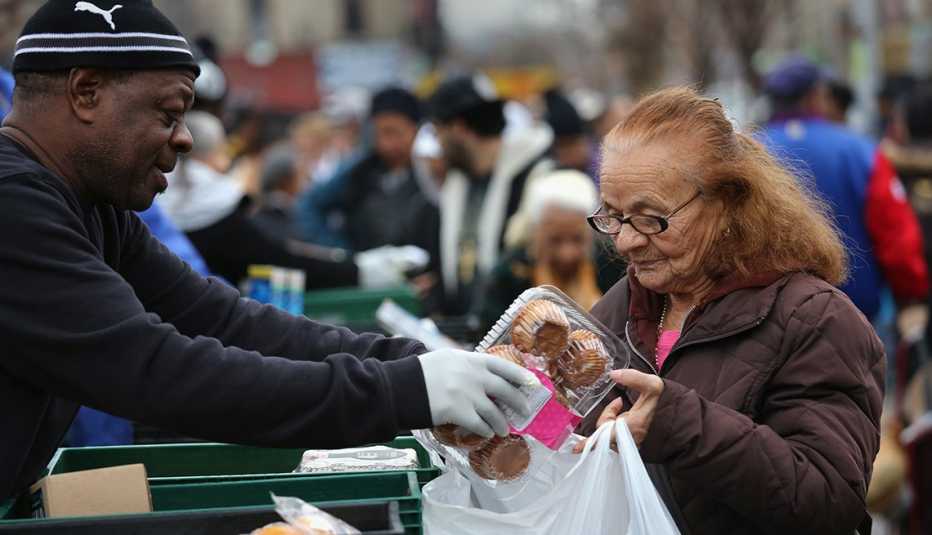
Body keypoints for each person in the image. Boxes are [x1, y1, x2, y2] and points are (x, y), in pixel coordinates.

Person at [0, 0, 536, 503]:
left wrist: (415, 360)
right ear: (85, 91)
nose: (186, 139)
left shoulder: (92, 207)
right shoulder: (15, 206)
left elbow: (222, 319)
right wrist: (403, 390)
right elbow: (162, 371)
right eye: (168, 114)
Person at [579, 87, 883, 533]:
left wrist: (678, 423)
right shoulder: (625, 303)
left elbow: (831, 500)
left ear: (727, 203)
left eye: (651, 218)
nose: (625, 241)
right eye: (613, 216)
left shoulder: (816, 320)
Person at [760, 55, 929, 327]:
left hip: (767, 322)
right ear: (816, 96)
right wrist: (911, 294)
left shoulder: (750, 154)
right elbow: (897, 239)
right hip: (856, 319)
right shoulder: (860, 151)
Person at [428, 74, 554, 316]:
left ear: (459, 128)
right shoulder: (456, 184)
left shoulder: (535, 179)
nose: (437, 144)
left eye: (438, 132)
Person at [296, 87, 439, 258]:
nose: (388, 144)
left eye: (395, 132)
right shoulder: (358, 171)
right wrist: (343, 253)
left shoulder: (431, 173)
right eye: (381, 133)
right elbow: (308, 205)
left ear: (416, 130)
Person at [478, 170, 601, 329]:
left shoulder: (608, 267)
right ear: (535, 233)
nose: (567, 254)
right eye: (555, 240)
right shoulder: (508, 275)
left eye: (578, 239)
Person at [251, 143, 305, 241]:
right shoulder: (278, 217)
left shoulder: (259, 213)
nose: (303, 182)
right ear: (286, 180)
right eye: (299, 176)